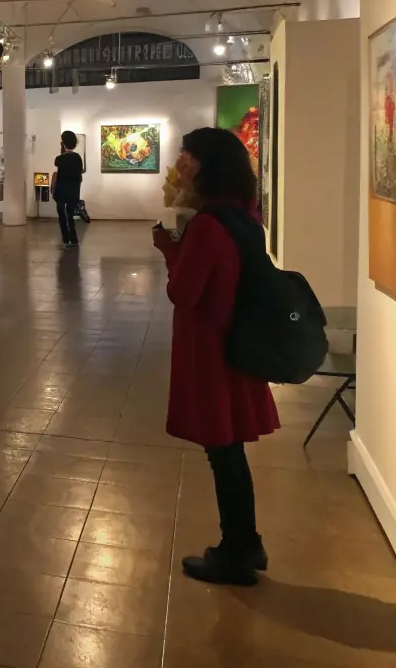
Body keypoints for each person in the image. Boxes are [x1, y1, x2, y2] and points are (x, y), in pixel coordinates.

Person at [153, 127, 280, 586]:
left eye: (187, 155)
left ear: (208, 165)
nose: (181, 163)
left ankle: (237, 551)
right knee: (229, 452)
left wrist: (170, 249)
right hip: (235, 342)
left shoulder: (208, 226)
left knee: (223, 453)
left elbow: (183, 293)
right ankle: (246, 542)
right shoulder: (243, 214)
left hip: (211, 350)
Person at [51, 130, 85, 247]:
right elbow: (79, 173)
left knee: (62, 215)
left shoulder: (59, 159)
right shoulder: (78, 158)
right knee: (70, 214)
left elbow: (58, 170)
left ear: (63, 143)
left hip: (61, 191)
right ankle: (73, 238)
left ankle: (66, 238)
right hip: (73, 191)